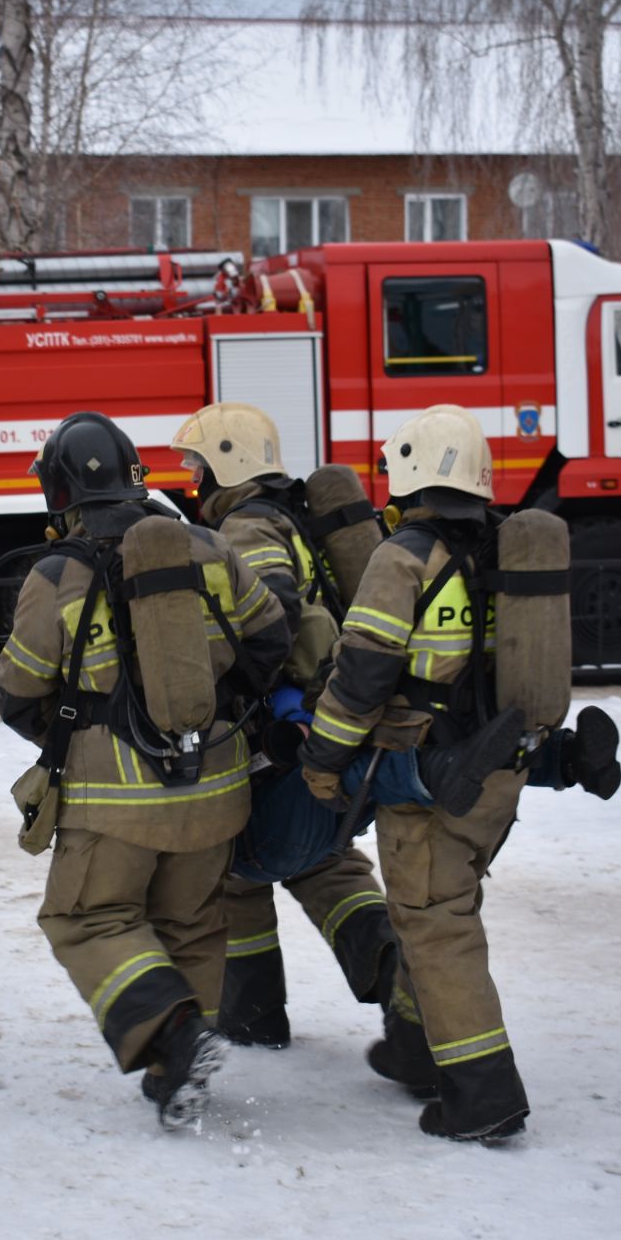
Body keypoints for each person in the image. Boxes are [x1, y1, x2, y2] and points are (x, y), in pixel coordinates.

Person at [0, 412, 291, 1130]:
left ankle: (177, 1035)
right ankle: (177, 1076)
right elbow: (272, 636)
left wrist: (83, 729)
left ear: (60, 489)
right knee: (190, 926)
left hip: (111, 803)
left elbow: (18, 691)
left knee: (87, 919)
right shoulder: (210, 546)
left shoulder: (56, 573)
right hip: (218, 788)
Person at [299, 404, 540, 1143]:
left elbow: (363, 672)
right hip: (498, 771)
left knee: (436, 925)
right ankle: (413, 1046)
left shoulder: (403, 557)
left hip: (430, 775)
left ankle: (482, 1095)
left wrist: (323, 758)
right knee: (430, 909)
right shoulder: (505, 548)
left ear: (409, 470)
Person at [169, 402, 410, 1053]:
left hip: (281, 739)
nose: (193, 479)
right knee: (328, 864)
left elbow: (266, 618)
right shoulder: (290, 518)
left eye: (199, 463)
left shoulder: (247, 525)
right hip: (329, 735)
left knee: (232, 867)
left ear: (229, 458)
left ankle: (251, 1018)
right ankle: (397, 982)